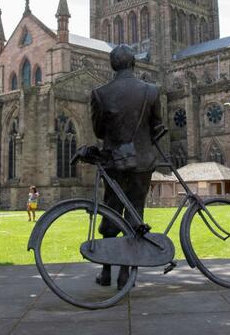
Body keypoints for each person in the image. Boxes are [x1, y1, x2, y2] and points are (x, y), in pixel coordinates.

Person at [91, 45, 162, 290]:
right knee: (135, 214)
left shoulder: (100, 93)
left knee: (111, 212)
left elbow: (99, 131)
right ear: (134, 63)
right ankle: (127, 275)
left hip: (115, 161)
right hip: (142, 162)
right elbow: (157, 126)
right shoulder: (151, 91)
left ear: (113, 65)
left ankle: (106, 271)